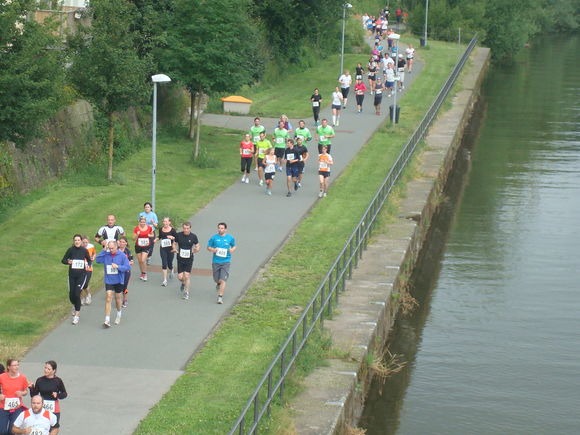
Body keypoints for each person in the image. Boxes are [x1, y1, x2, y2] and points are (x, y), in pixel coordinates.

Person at [95, 240, 131, 327]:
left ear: (116, 247)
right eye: (109, 248)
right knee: (108, 298)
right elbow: (97, 260)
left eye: (112, 248)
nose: (111, 250)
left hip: (118, 280)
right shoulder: (106, 255)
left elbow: (127, 267)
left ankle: (119, 314)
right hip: (109, 280)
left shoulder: (122, 255)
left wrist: (118, 266)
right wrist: (103, 250)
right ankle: (107, 320)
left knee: (118, 299)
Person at [28, 361, 66, 435]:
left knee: (53, 429)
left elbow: (64, 394)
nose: (46, 370)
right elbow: (34, 395)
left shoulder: (58, 381)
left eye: (48, 369)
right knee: (43, 428)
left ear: (54, 370)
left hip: (54, 408)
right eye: (45, 368)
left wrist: (57, 395)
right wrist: (31, 388)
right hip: (42, 408)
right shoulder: (40, 380)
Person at [61, 234, 91, 325]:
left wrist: (88, 265)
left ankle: (77, 316)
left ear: (81, 241)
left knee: (77, 294)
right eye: (75, 240)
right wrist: (68, 262)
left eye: (78, 240)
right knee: (71, 295)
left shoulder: (84, 250)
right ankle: (74, 305)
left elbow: (89, 260)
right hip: (72, 275)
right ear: (73, 241)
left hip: (81, 275)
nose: (77, 242)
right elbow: (63, 260)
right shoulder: (70, 250)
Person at [207, 222, 236, 305]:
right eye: (219, 228)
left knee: (223, 279)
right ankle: (218, 283)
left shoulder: (230, 238)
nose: (220, 229)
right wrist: (213, 250)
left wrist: (232, 250)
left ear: (225, 229)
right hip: (216, 261)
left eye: (222, 228)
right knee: (217, 279)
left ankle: (220, 297)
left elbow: (234, 246)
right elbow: (208, 247)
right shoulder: (214, 238)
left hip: (226, 261)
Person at [172, 222, 200, 301]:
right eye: (184, 228)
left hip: (189, 259)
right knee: (180, 277)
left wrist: (196, 250)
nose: (186, 230)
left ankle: (186, 292)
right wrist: (174, 248)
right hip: (180, 258)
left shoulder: (193, 236)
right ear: (182, 228)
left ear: (190, 228)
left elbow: (197, 245)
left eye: (187, 228)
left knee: (187, 276)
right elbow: (174, 243)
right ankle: (183, 283)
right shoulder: (178, 235)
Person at [0, 359, 28, 435]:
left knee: (12, 431)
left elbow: (25, 391)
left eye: (17, 365)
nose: (16, 367)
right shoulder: (2, 377)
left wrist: (21, 393)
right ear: (8, 367)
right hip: (3, 407)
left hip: (17, 407)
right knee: (2, 431)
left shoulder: (22, 378)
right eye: (14, 365)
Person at [132, 216, 155, 282]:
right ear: (139, 222)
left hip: (146, 246)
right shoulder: (136, 228)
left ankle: (145, 273)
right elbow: (133, 239)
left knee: (143, 260)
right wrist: (137, 235)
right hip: (138, 246)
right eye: (141, 222)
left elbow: (152, 235)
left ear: (145, 222)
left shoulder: (149, 228)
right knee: (140, 261)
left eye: (144, 222)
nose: (142, 223)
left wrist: (149, 235)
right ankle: (142, 273)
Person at [156, 217, 177, 287]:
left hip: (170, 249)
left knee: (169, 263)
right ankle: (165, 280)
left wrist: (172, 237)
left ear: (169, 222)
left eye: (166, 221)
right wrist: (156, 239)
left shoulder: (173, 230)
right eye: (164, 221)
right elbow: (160, 236)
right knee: (164, 263)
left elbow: (177, 239)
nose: (164, 223)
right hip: (163, 248)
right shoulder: (161, 229)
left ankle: (171, 269)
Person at [117, 236, 133, 308]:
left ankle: (125, 299)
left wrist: (124, 264)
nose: (121, 243)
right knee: (118, 286)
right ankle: (118, 300)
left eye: (123, 242)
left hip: (126, 272)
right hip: (117, 271)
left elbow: (131, 262)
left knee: (124, 287)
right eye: (120, 242)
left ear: (126, 243)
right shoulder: (115, 250)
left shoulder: (128, 252)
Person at [80, 236, 96, 306]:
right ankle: (81, 298)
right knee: (80, 284)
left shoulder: (91, 246)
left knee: (85, 284)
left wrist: (93, 257)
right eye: (83, 242)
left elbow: (94, 253)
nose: (85, 244)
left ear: (88, 242)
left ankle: (88, 295)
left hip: (89, 268)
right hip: (80, 268)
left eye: (86, 242)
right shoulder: (79, 247)